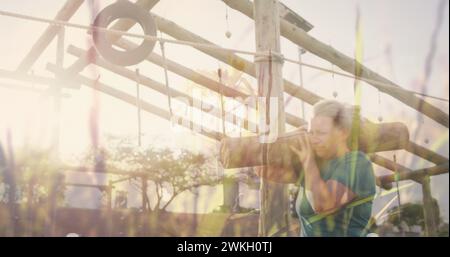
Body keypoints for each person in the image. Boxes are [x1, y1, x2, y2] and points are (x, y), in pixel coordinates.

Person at [256, 99, 376, 237]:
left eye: (320, 133)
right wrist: (290, 137)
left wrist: (308, 162)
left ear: (343, 133)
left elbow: (323, 206)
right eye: (311, 132)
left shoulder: (358, 163)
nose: (313, 139)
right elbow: (263, 169)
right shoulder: (316, 166)